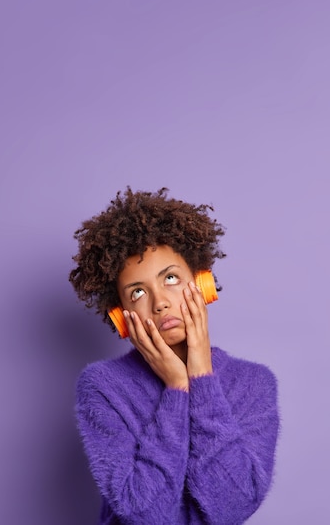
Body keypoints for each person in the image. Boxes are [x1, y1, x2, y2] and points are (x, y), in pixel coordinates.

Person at [69, 187, 279, 524]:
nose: (160, 302)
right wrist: (177, 389)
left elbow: (232, 508)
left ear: (202, 284)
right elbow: (145, 513)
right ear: (122, 316)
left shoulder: (254, 383)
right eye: (137, 291)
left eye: (170, 278)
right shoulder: (102, 387)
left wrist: (202, 380)